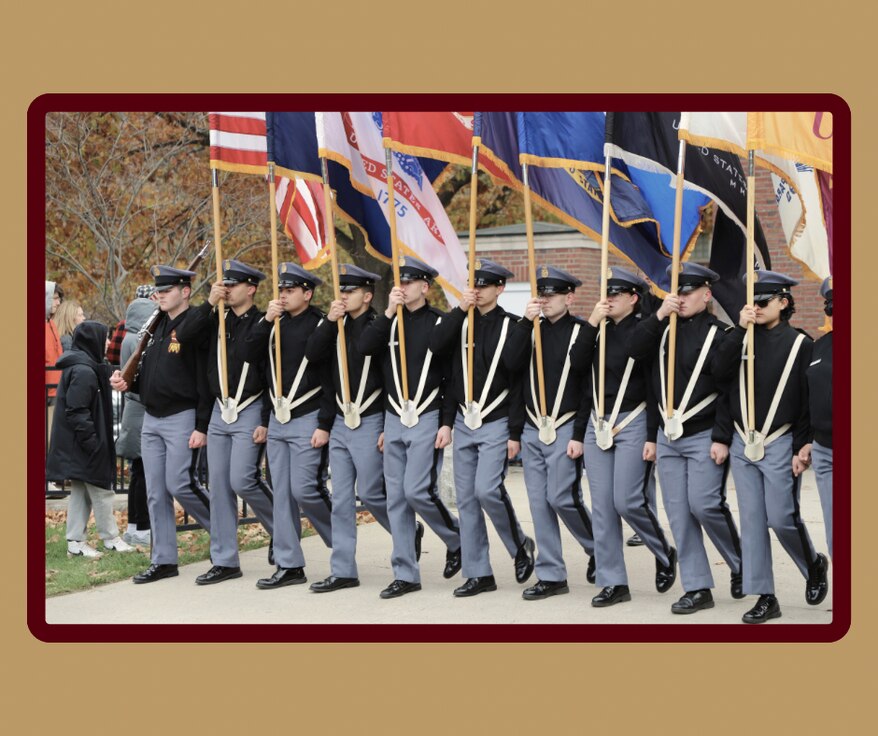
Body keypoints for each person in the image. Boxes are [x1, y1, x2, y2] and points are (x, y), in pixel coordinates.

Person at [627, 263, 743, 615]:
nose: (681, 299)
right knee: (678, 514)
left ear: (706, 294)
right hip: (667, 436)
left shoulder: (720, 333)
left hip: (705, 433)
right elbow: (635, 352)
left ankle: (741, 564)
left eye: (688, 292)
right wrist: (661, 313)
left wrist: (722, 437)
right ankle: (697, 587)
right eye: (676, 292)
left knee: (704, 505)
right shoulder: (663, 330)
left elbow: (728, 391)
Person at [712, 270, 828, 623]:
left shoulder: (800, 343)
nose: (757, 308)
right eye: (752, 302)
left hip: (780, 440)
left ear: (783, 302)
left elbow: (808, 401)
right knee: (751, 522)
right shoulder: (739, 338)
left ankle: (812, 563)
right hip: (743, 440)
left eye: (763, 302)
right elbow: (718, 377)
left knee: (781, 517)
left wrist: (802, 445)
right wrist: (737, 330)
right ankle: (765, 595)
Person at [571, 266, 676, 608]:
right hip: (597, 423)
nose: (609, 299)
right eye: (606, 293)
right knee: (601, 508)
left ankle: (663, 551)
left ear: (633, 298)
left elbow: (641, 360)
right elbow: (576, 366)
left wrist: (652, 436)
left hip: (633, 420)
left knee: (626, 501)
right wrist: (590, 322)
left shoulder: (647, 329)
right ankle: (613, 581)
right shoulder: (597, 332)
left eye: (616, 294)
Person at [430, 258, 534, 598]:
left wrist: (515, 433)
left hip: (497, 419)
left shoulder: (511, 324)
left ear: (499, 288)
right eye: (472, 285)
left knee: (487, 490)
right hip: (463, 418)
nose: (477, 291)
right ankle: (478, 572)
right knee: (467, 500)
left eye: (484, 285)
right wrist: (446, 422)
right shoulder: (460, 321)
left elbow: (517, 372)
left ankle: (519, 544)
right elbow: (437, 350)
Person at [359, 256, 462, 599]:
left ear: (425, 287)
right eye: (398, 283)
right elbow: (363, 349)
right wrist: (388, 312)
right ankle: (405, 572)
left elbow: (451, 379)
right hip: (394, 418)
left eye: (410, 282)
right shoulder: (388, 322)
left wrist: (447, 422)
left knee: (417, 491)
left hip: (427, 415)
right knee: (396, 501)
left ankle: (455, 537)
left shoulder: (438, 323)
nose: (402, 288)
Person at [176, 259, 277, 586]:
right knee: (218, 486)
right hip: (220, 409)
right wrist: (208, 302)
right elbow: (185, 336)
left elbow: (266, 371)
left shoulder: (265, 321)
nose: (228, 290)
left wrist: (264, 418)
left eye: (233, 285)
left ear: (251, 288)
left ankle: (283, 530)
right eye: (225, 284)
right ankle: (225, 560)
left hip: (249, 406)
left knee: (242, 480)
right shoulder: (214, 319)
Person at [110, 265, 213, 584]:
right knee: (155, 492)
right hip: (152, 416)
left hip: (182, 415)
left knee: (181, 483)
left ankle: (223, 534)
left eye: (167, 291)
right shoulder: (155, 328)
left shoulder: (194, 325)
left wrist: (202, 425)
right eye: (159, 291)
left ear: (185, 291)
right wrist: (129, 384)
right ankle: (164, 559)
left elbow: (203, 379)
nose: (160, 296)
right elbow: (154, 375)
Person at [506, 266, 596, 600]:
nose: (544, 301)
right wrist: (524, 321)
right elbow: (511, 369)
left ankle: (597, 548)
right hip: (532, 426)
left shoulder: (582, 332)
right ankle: (551, 574)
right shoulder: (529, 330)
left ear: (569, 297)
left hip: (565, 425)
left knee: (562, 497)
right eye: (541, 295)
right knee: (539, 504)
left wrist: (579, 432)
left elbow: (589, 388)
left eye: (552, 295)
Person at [305, 264, 394, 593]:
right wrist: (329, 321)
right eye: (340, 291)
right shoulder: (333, 326)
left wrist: (387, 423)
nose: (342, 296)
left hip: (370, 418)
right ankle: (343, 569)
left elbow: (387, 379)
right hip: (341, 420)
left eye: (350, 292)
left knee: (371, 493)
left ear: (367, 297)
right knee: (341, 498)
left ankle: (404, 532)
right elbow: (314, 358)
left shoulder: (376, 327)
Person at [246, 262, 334, 589]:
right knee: (281, 494)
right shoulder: (273, 323)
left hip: (309, 415)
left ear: (307, 294)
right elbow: (251, 358)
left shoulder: (321, 323)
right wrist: (267, 319)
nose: (283, 295)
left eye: (290, 290)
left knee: (304, 489)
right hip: (279, 418)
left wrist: (325, 423)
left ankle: (342, 541)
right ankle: (289, 564)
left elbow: (329, 379)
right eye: (281, 290)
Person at [46, 321, 135, 557]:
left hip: (78, 443)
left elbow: (98, 373)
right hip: (84, 444)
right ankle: (111, 538)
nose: (107, 342)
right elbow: (77, 411)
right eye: (104, 338)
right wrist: (93, 443)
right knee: (101, 490)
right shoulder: (83, 371)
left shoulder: (82, 365)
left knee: (81, 492)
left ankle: (75, 542)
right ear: (92, 340)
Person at [115, 287, 159, 547]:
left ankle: (135, 525)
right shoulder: (139, 340)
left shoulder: (129, 338)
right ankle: (142, 526)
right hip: (141, 410)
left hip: (134, 410)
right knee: (143, 474)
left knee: (137, 475)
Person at [798, 277, 833, 559]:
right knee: (836, 531)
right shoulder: (819, 346)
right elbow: (810, 396)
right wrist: (808, 440)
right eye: (831, 306)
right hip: (825, 450)